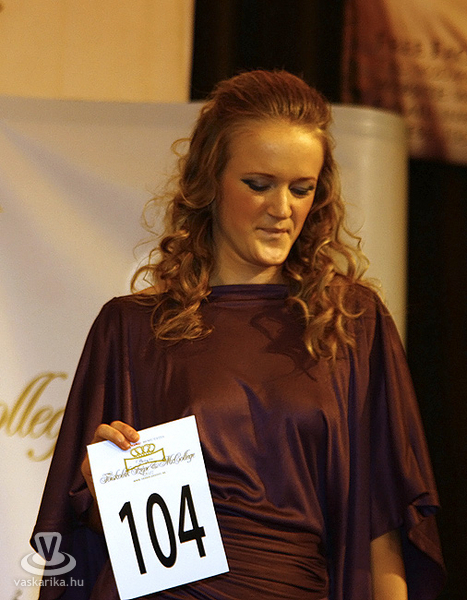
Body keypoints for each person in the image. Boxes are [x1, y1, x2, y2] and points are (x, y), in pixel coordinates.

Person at [31, 70, 445, 600]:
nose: (282, 209)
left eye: (302, 189)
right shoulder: (132, 327)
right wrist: (101, 490)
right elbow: (80, 544)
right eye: (259, 184)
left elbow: (381, 532)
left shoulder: (352, 322)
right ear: (210, 181)